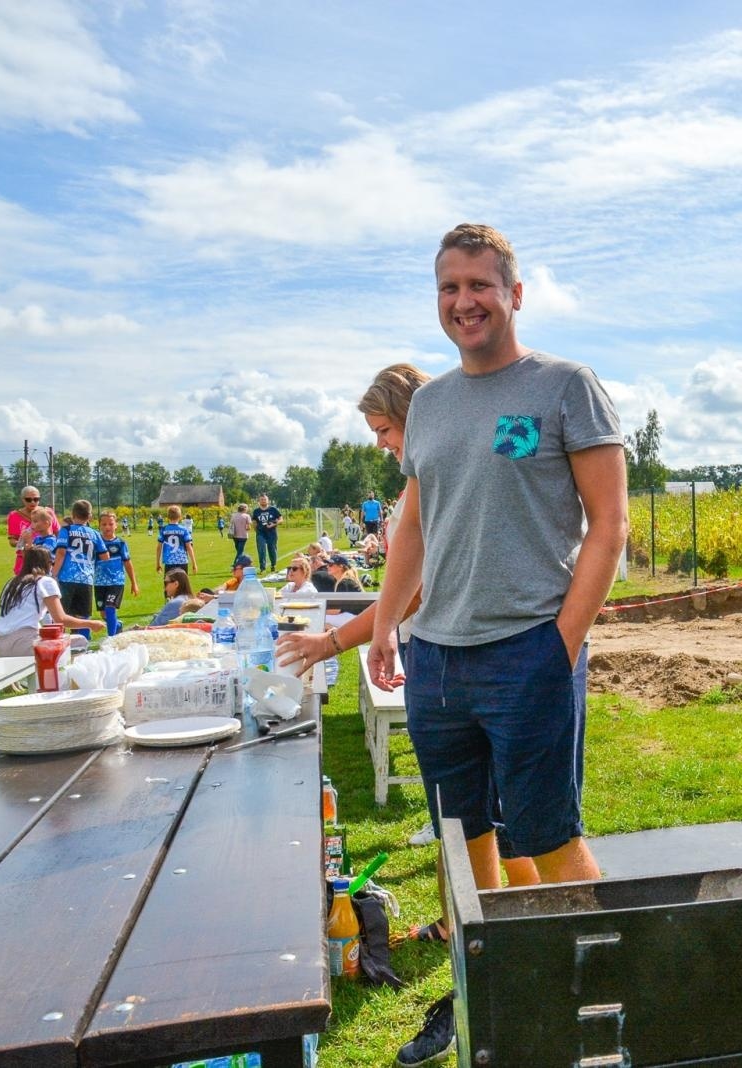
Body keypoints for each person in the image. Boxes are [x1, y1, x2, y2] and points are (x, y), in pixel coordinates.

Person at [365, 224, 627, 1067]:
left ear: (514, 294)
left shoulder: (565, 388)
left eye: (479, 285)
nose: (464, 301)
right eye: (449, 287)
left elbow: (609, 526)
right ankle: (486, 994)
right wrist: (386, 622)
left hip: (527, 653)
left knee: (547, 839)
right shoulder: (431, 404)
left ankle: (607, 1003)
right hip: (436, 662)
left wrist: (561, 643)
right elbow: (413, 525)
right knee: (464, 842)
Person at [278, 364, 433, 847]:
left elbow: (415, 590)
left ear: (413, 417)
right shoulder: (417, 480)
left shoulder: (434, 480)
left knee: (473, 806)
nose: (380, 444)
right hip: (423, 641)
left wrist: (332, 642)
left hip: (438, 646)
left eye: (384, 430)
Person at [0, 548, 104, 657]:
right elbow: (61, 619)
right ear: (47, 564)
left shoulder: (11, 582)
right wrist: (91, 624)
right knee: (79, 641)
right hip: (23, 643)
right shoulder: (45, 581)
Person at [52, 499, 108, 640]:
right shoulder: (95, 534)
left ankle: (60, 644)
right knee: (83, 615)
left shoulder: (66, 530)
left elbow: (61, 552)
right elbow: (105, 556)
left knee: (61, 615)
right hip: (86, 579)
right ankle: (82, 644)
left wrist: (54, 574)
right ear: (90, 516)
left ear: (72, 515)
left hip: (67, 577)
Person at [94, 510, 138, 637]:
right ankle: (117, 625)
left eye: (110, 524)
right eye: (104, 524)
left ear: (116, 525)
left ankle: (111, 638)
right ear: (99, 525)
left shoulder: (120, 543)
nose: (107, 527)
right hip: (99, 582)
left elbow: (127, 563)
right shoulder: (96, 543)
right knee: (103, 613)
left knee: (110, 608)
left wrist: (134, 583)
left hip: (116, 582)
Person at [7, 486, 56, 575]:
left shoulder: (48, 512)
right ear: (22, 499)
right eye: (28, 499)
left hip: (45, 567)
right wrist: (22, 542)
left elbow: (58, 533)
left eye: (36, 499)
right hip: (24, 562)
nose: (33, 502)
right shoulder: (14, 516)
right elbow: (12, 541)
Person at [157, 506, 196, 576]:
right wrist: (194, 563)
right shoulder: (184, 530)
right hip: (182, 561)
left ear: (168, 517)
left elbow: (159, 547)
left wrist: (158, 563)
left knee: (169, 582)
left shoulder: (164, 529)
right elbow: (189, 547)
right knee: (183, 583)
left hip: (169, 562)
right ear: (180, 517)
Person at [252, 494, 281, 572]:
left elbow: (281, 519)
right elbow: (254, 522)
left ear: (268, 500)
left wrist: (274, 524)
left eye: (265, 499)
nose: (263, 501)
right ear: (259, 501)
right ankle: (262, 568)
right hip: (260, 533)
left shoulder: (273, 509)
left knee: (272, 549)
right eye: (262, 499)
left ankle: (273, 565)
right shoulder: (256, 511)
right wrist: (256, 530)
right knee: (261, 549)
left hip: (272, 533)